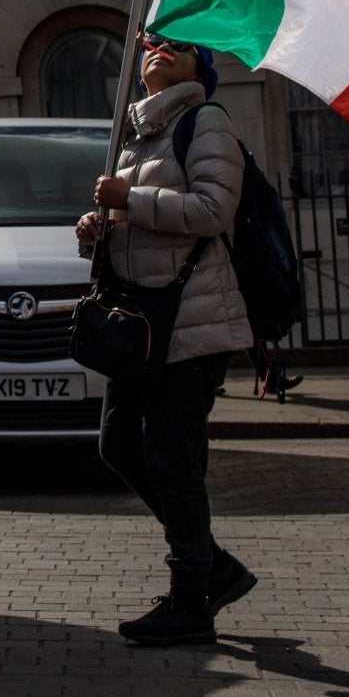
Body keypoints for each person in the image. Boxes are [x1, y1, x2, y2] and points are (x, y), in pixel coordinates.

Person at [76, 37, 258, 647]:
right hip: (144, 324)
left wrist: (130, 199)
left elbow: (211, 210)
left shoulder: (205, 121)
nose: (156, 51)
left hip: (193, 322)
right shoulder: (140, 132)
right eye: (152, 44)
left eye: (175, 47)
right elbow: (145, 223)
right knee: (119, 445)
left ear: (198, 67)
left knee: (172, 461)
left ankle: (191, 599)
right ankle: (217, 569)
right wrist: (101, 228)